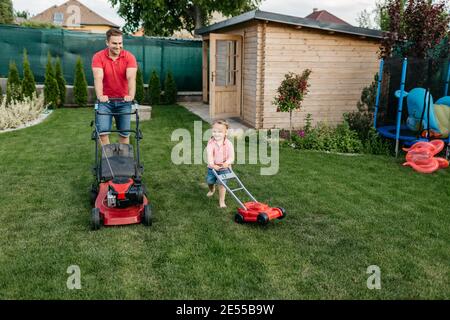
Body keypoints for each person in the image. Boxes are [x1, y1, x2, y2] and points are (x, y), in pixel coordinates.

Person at [91, 28, 137, 145]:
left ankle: (122, 161)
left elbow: (131, 77)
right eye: (114, 43)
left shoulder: (129, 57)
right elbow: (98, 77)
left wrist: (130, 95)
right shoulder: (98, 57)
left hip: (123, 101)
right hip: (105, 102)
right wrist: (100, 95)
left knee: (124, 133)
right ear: (107, 43)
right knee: (103, 133)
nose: (118, 46)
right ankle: (109, 161)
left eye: (120, 43)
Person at [206, 120, 235, 208]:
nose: (216, 134)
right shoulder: (210, 143)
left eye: (219, 132)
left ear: (225, 133)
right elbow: (210, 156)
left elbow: (231, 157)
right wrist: (213, 165)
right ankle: (212, 189)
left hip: (225, 168)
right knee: (210, 181)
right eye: (214, 131)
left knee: (222, 184)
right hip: (212, 167)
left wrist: (227, 163)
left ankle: (222, 201)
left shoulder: (229, 144)